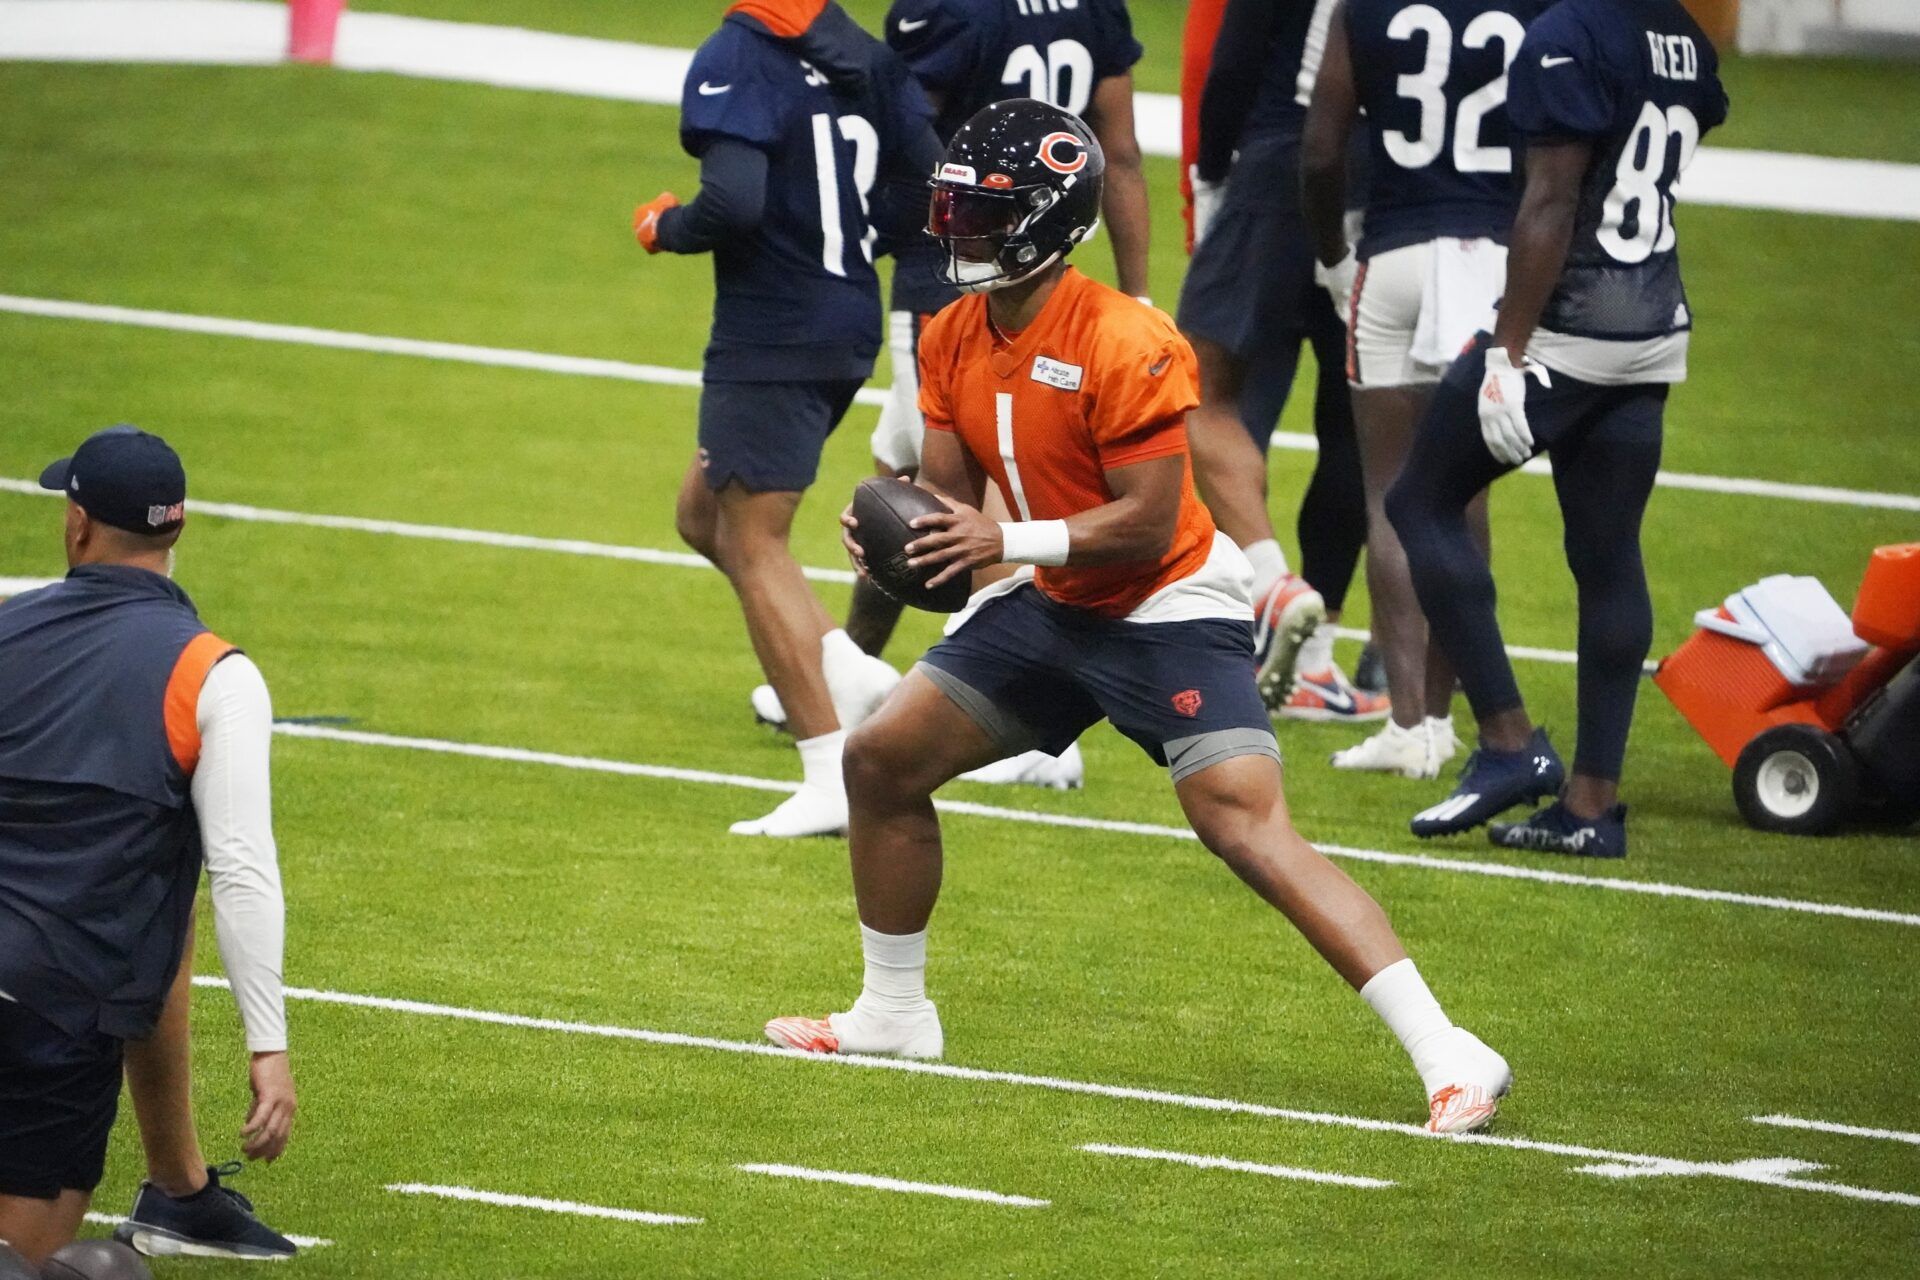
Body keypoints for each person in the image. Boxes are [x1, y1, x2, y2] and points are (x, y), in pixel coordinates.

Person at [765, 100, 1511, 1135]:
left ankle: (1450, 1048)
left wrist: (1000, 545)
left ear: (1045, 223)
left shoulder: (1129, 339)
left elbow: (1148, 522)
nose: (959, 236)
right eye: (956, 212)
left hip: (1166, 603)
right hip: (1049, 600)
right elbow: (952, 506)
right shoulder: (949, 335)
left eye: (983, 216)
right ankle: (893, 1012)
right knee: (881, 758)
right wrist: (905, 543)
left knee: (1241, 822)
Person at [1386, 0, 1728, 855]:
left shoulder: (1568, 35)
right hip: (1652, 328)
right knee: (1608, 554)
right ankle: (1589, 808)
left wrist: (1507, 353)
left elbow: (1551, 203)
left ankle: (1507, 744)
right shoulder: (1682, 36)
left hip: (1569, 329)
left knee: (1421, 503)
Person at [633, 0, 943, 836]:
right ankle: (844, 667)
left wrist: (665, 227)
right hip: (848, 317)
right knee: (703, 516)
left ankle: (828, 775)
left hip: (771, 331)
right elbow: (927, 169)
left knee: (752, 540)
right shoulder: (852, 56)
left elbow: (731, 204)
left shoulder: (735, 56)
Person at [0, 427, 294, 1265]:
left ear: (77, 524)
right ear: (180, 528)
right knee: (54, 1261)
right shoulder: (213, 674)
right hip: (53, 1014)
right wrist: (267, 1048)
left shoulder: (6, 628)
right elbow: (242, 870)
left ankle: (179, 1189)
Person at [1300, 0, 1546, 779]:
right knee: (1463, 501)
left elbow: (1318, 151)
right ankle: (1441, 719)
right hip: (1494, 257)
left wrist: (1332, 252)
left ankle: (1409, 723)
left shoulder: (1363, 6)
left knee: (1390, 498)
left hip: (1395, 253)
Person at [1178, 0, 1384, 723]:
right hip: (1385, 184)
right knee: (1355, 425)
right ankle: (1318, 659)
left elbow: (1230, 60)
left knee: (1199, 397)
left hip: (1281, 164)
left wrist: (1208, 177)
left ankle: (1260, 590)